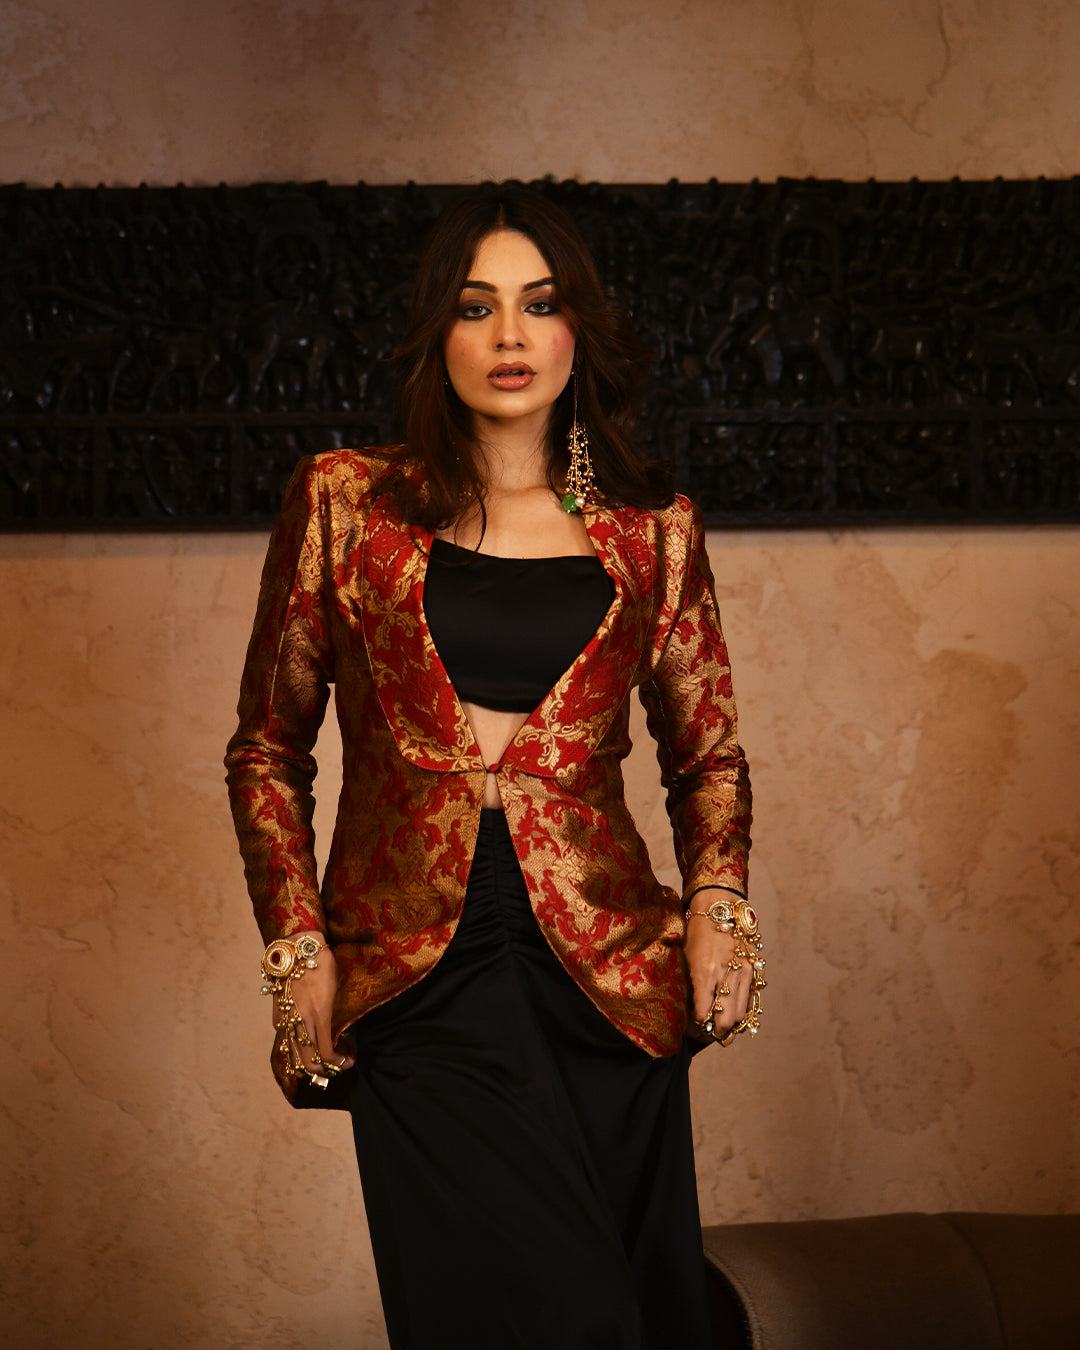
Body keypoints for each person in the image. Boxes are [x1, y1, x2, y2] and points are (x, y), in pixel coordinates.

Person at [225, 181, 762, 1350]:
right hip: (419, 974)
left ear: (579, 331)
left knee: (652, 1321)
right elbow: (268, 749)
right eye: (477, 307)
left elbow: (706, 749)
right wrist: (298, 949)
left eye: (540, 303)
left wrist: (719, 905)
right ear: (439, 332)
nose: (510, 335)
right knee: (554, 1321)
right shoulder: (343, 504)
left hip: (610, 983)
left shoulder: (653, 530)